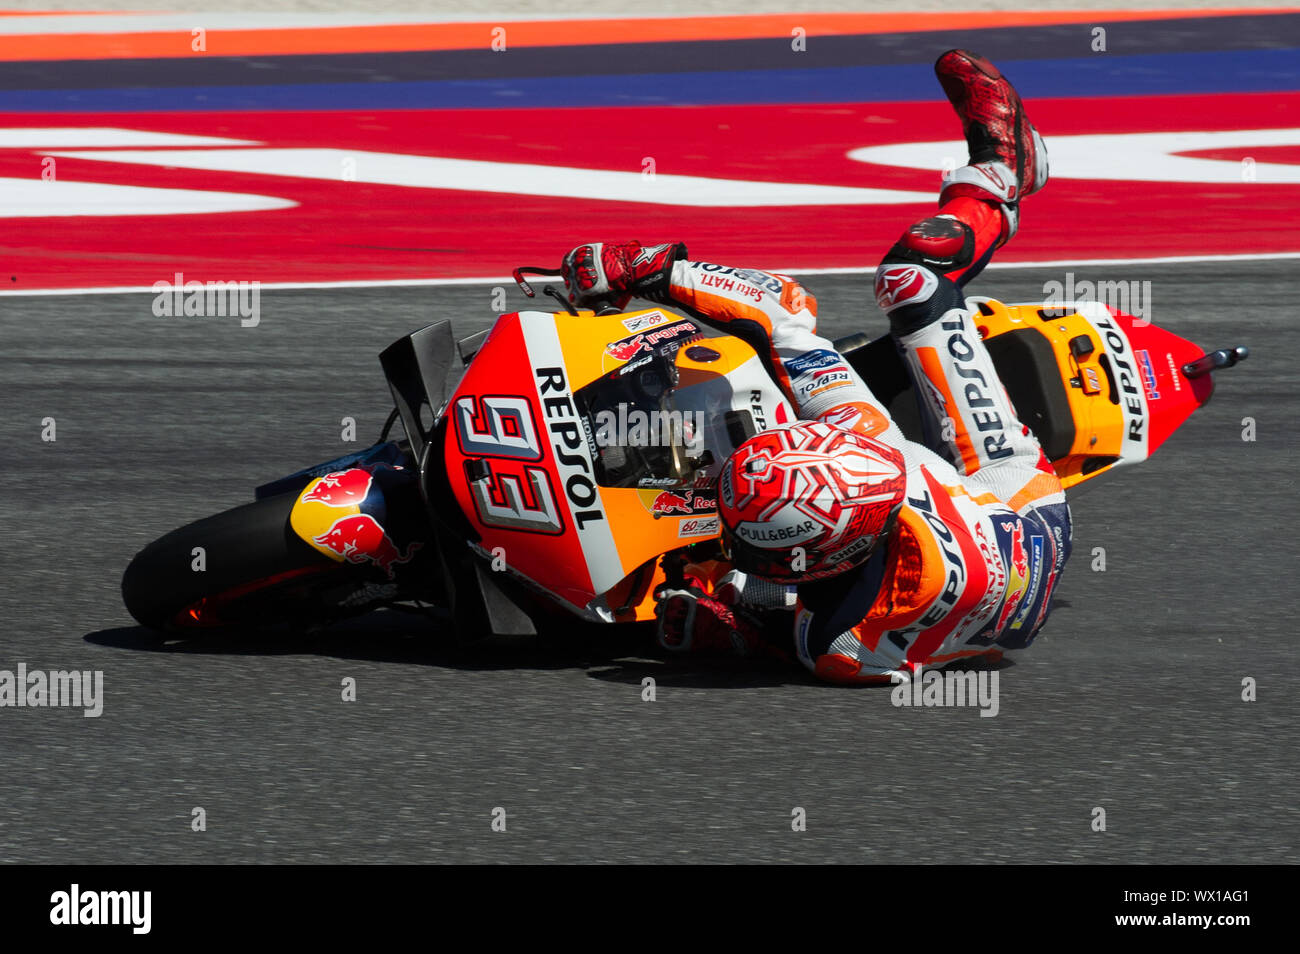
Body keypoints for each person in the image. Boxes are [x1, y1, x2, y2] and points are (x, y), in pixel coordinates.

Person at [559, 50, 1071, 684]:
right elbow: (783, 313)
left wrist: (728, 619)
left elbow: (761, 626)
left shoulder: (842, 645)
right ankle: (1005, 168)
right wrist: (659, 269)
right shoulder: (872, 453)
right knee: (914, 281)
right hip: (1015, 500)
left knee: (731, 581)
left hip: (975, 525)